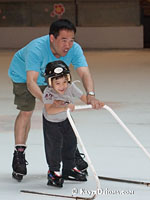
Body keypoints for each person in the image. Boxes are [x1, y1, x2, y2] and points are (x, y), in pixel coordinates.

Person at [8, 18, 103, 182]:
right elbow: (31, 82)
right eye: (63, 40)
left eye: (71, 40)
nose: (68, 45)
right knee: (26, 111)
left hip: (53, 79)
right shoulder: (36, 49)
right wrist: (48, 102)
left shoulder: (74, 49)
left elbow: (84, 73)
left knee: (63, 110)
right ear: (52, 38)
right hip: (24, 77)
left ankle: (70, 153)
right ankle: (19, 153)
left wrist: (91, 95)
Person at [43, 60, 95, 187]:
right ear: (50, 83)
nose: (62, 86)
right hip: (52, 124)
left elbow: (83, 97)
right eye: (58, 83)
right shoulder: (48, 93)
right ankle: (54, 172)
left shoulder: (70, 87)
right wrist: (65, 107)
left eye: (65, 82)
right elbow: (49, 109)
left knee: (71, 143)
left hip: (66, 120)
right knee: (54, 147)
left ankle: (69, 168)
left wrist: (92, 101)